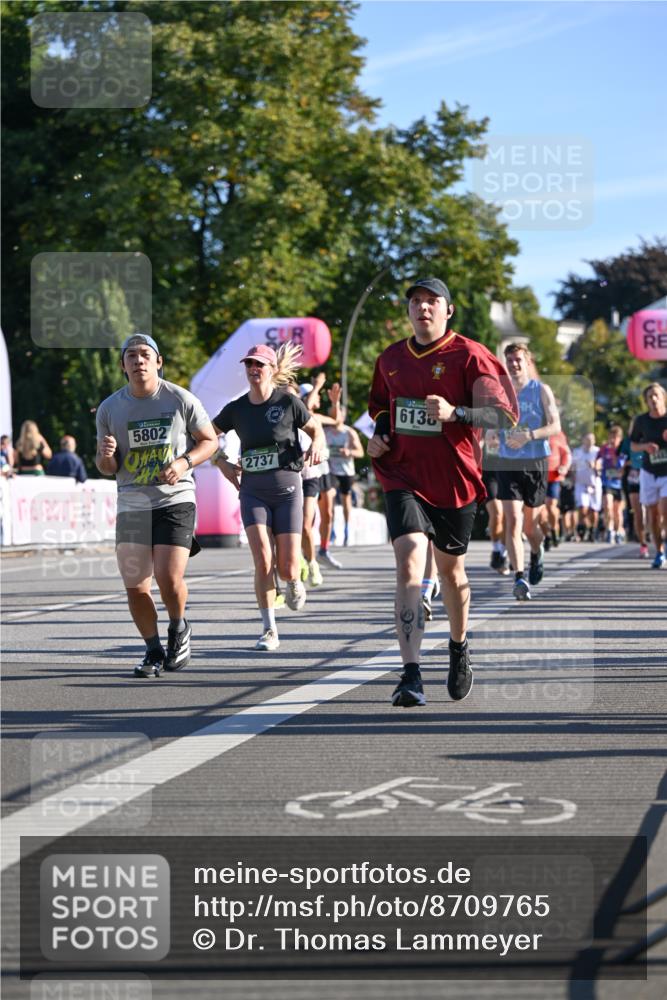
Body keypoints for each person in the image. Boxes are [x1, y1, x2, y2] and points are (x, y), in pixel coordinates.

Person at [368, 276, 518, 707]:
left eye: (432, 302)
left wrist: (458, 413)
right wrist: (379, 436)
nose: (423, 308)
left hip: (455, 481)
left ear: (448, 310)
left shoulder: (470, 355)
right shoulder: (391, 357)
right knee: (409, 560)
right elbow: (380, 406)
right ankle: (411, 672)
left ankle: (458, 647)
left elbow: (504, 416)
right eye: (416, 301)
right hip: (402, 474)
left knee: (451, 572)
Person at [96, 333, 218, 677]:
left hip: (175, 498)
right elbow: (107, 468)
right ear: (123, 365)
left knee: (167, 576)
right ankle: (152, 650)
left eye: (145, 354)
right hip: (132, 501)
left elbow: (210, 441)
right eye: (131, 356)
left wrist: (183, 464)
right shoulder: (109, 408)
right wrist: (105, 457)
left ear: (158, 361)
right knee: (135, 585)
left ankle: (179, 627)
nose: (139, 361)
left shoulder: (180, 398)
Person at [212, 343, 326, 651]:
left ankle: (293, 580)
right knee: (262, 559)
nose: (253, 369)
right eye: (249, 364)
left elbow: (316, 428)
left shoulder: (288, 402)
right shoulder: (237, 408)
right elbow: (207, 435)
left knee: (287, 566)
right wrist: (220, 460)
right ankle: (269, 630)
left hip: (287, 489)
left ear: (272, 369)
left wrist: (317, 444)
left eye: (259, 364)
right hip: (252, 491)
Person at [497, 344, 561, 601]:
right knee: (512, 520)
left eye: (518, 360)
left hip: (535, 461)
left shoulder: (541, 390)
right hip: (506, 461)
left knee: (529, 526)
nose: (514, 364)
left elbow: (555, 426)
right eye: (510, 360)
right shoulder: (500, 392)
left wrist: (528, 436)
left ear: (528, 361)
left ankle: (537, 550)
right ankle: (519, 576)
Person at [630, 382, 667, 569]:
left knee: (665, 510)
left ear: (663, 398)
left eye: (656, 396)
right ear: (646, 401)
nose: (653, 399)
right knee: (652, 517)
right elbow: (633, 445)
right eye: (649, 397)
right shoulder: (641, 421)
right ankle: (659, 552)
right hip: (649, 471)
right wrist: (645, 447)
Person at [324, 382, 365, 546]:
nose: (334, 417)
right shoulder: (325, 432)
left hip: (346, 470)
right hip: (331, 470)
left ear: (342, 415)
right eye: (331, 414)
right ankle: (332, 531)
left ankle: (347, 530)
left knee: (346, 499)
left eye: (337, 413)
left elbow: (361, 452)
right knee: (330, 499)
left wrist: (349, 452)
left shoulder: (349, 432)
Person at [482, 428, 509, 574]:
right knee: (497, 513)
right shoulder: (483, 417)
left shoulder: (512, 419)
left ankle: (502, 554)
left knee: (507, 517)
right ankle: (496, 549)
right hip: (489, 474)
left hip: (508, 472)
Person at [619, 420, 648, 557]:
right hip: (633, 476)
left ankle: (650, 534)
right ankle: (643, 544)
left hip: (650, 474)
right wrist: (623, 463)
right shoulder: (627, 441)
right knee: (637, 511)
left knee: (650, 511)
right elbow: (621, 456)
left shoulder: (651, 436)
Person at [542, 429, 571, 550]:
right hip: (538, 477)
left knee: (551, 506)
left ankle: (554, 530)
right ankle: (546, 535)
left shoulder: (558, 434)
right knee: (540, 510)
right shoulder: (533, 429)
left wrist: (564, 466)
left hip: (554, 477)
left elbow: (566, 454)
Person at [571, 432, 602, 542]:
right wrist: (573, 477)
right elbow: (573, 466)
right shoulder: (577, 452)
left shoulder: (597, 451)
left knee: (594, 510)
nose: (589, 442)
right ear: (583, 440)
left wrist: (594, 466)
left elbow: (601, 466)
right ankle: (582, 529)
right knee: (582, 508)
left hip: (594, 484)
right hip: (580, 483)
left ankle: (593, 530)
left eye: (591, 439)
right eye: (587, 439)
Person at [598, 424, 626, 544]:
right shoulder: (604, 448)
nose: (613, 440)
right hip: (607, 482)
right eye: (611, 437)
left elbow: (623, 466)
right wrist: (596, 466)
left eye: (616, 437)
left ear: (620, 438)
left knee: (617, 511)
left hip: (619, 484)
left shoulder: (623, 450)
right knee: (608, 507)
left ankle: (619, 530)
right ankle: (610, 530)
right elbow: (597, 460)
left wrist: (617, 459)